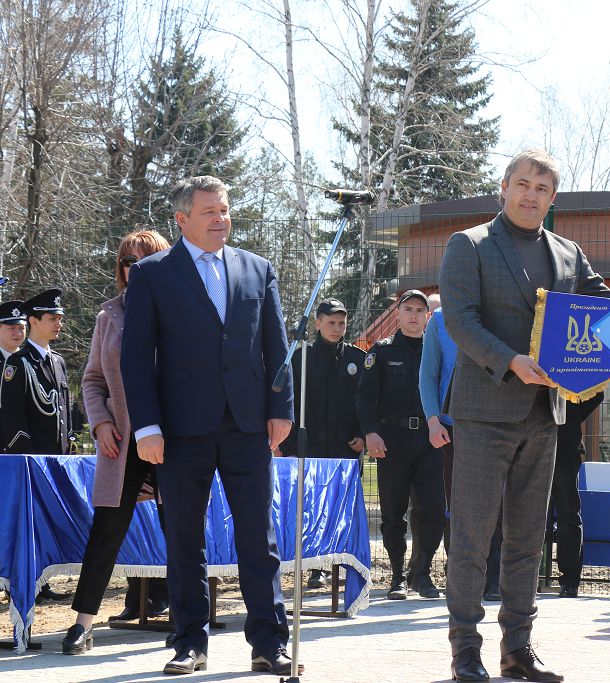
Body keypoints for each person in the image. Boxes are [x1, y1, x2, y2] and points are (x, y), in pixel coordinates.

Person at [439, 148, 610, 683]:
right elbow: (461, 321)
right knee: (471, 537)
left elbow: (601, 303)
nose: (530, 194)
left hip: (546, 414)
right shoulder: (468, 245)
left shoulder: (567, 251)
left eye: (541, 188)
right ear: (504, 187)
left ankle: (518, 650)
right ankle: (465, 653)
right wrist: (511, 361)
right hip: (484, 411)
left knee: (527, 539)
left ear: (552, 198)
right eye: (522, 184)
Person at [120, 176, 297, 676]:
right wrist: (146, 427)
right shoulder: (153, 274)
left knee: (258, 541)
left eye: (225, 210)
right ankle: (188, 643)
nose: (221, 219)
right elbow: (135, 358)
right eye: (209, 212)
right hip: (180, 430)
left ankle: (268, 641)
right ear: (181, 220)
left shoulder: (257, 269)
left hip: (247, 428)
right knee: (184, 540)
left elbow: (276, 348)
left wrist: (281, 408)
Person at [61, 230, 173, 655]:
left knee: (179, 530)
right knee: (106, 531)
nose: (132, 268)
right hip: (121, 444)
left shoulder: (180, 314)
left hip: (169, 441)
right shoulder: (109, 316)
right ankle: (81, 624)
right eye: (127, 261)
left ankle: (187, 617)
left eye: (142, 260)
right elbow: (92, 380)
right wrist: (101, 424)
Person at [357, 289, 446, 601]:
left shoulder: (438, 350)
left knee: (434, 510)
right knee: (393, 513)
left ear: (427, 316)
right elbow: (365, 398)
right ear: (397, 314)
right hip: (391, 441)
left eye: (419, 311)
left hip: (430, 439)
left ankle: (420, 573)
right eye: (407, 309)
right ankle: (396, 576)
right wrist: (370, 433)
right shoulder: (380, 352)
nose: (413, 316)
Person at [419, 295, 503, 602]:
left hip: (499, 423)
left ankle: (495, 579)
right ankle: (461, 580)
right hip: (454, 425)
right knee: (459, 507)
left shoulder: (503, 310)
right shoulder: (440, 320)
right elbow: (428, 374)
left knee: (499, 504)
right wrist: (432, 419)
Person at [279, 298, 365, 590]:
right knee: (310, 509)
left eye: (342, 323)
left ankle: (340, 565)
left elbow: (366, 402)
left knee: (341, 510)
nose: (337, 328)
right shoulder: (300, 358)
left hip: (344, 449)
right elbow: (289, 403)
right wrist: (288, 445)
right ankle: (314, 568)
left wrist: (364, 436)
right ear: (317, 323)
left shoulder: (356, 358)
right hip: (311, 449)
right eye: (331, 322)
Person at [0, 288, 74, 604]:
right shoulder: (19, 363)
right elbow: (14, 422)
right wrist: (26, 461)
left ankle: (41, 581)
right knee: (25, 525)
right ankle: (22, 583)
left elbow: (63, 413)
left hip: (54, 459)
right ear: (34, 321)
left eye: (60, 318)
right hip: (29, 462)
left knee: (45, 524)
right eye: (51, 318)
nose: (58, 323)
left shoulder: (56, 361)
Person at [548, 393, 603, 598]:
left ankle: (569, 579)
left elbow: (596, 392)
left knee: (568, 514)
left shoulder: (569, 362)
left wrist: (569, 413)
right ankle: (519, 578)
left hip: (565, 444)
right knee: (524, 516)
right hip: (527, 443)